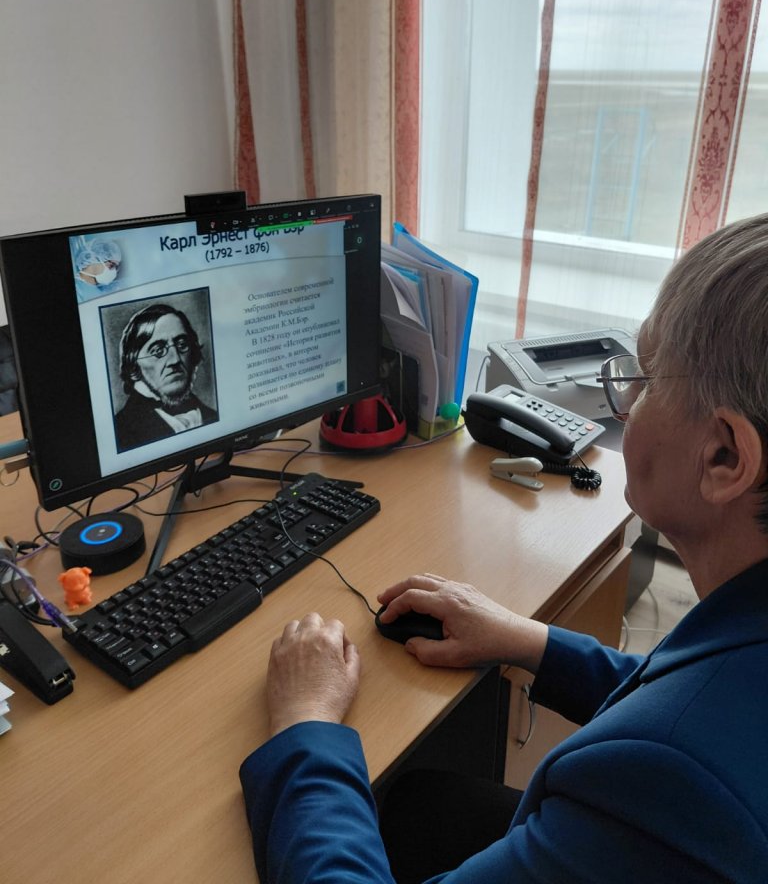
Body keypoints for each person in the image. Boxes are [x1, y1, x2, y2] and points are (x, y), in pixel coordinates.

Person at [239, 213, 768, 883]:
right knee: (416, 803)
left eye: (646, 381)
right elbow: (681, 692)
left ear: (725, 457)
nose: (626, 405)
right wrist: (527, 640)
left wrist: (307, 722)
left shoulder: (675, 786)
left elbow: (682, 741)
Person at [114, 302, 218, 451]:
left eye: (182, 345)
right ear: (133, 365)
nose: (175, 359)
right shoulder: (120, 431)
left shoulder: (212, 416)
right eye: (158, 351)